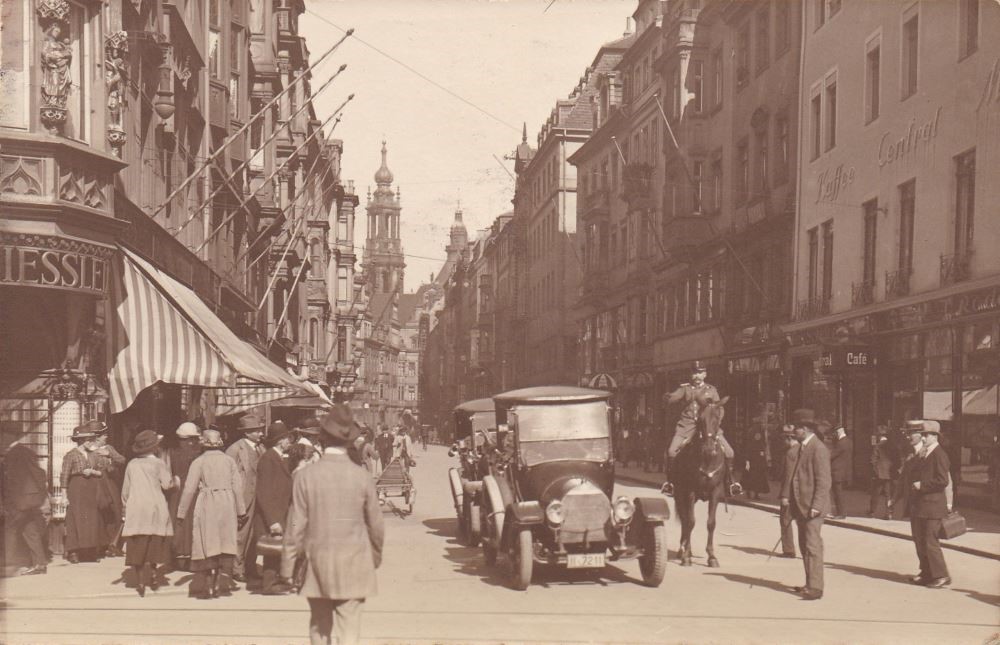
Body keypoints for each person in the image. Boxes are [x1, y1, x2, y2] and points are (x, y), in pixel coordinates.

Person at [280, 405, 384, 645]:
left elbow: (295, 526)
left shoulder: (305, 476)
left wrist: (287, 566)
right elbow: (377, 526)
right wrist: (374, 557)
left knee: (319, 625)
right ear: (349, 440)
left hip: (318, 563)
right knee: (350, 629)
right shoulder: (362, 477)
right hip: (355, 562)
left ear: (323, 437)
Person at [178, 429, 248, 599]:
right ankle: (217, 582)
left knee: (208, 542)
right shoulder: (229, 461)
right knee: (224, 542)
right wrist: (241, 511)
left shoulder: (199, 461)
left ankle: (209, 585)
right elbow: (237, 487)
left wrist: (181, 513)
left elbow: (189, 489)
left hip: (208, 503)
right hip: (227, 503)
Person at [662, 361, 739, 496]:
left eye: (700, 373)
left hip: (708, 427)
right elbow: (673, 397)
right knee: (672, 451)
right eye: (694, 373)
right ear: (691, 375)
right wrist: (668, 397)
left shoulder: (711, 390)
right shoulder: (685, 389)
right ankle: (670, 483)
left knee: (729, 452)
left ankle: (730, 482)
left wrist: (716, 422)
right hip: (687, 426)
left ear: (705, 374)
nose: (697, 376)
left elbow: (719, 408)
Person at [780, 409, 831, 600]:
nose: (794, 432)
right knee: (804, 545)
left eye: (797, 428)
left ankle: (816, 588)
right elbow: (793, 476)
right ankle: (810, 582)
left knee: (812, 545)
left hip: (812, 507)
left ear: (807, 429)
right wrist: (787, 497)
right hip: (801, 505)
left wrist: (816, 505)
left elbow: (824, 481)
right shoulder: (800, 448)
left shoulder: (818, 449)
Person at [121, 430, 177, 597]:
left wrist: (125, 507)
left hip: (136, 507)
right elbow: (167, 484)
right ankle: (152, 573)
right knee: (154, 542)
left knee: (138, 544)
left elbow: (125, 490)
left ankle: (140, 581)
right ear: (154, 447)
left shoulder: (132, 464)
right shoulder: (159, 464)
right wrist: (176, 481)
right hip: (155, 506)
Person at [907, 420, 951, 588]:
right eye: (922, 435)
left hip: (933, 507)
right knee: (919, 541)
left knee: (930, 542)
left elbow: (943, 480)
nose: (923, 438)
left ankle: (941, 575)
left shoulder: (940, 454)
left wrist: (922, 485)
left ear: (935, 436)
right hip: (921, 506)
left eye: (926, 435)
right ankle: (926, 573)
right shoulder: (925, 453)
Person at [2, 431, 50, 575]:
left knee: (9, 529)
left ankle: (8, 565)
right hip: (27, 500)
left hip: (20, 500)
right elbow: (39, 474)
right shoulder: (23, 451)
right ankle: (40, 564)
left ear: (10, 436)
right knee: (30, 530)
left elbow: (12, 480)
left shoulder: (16, 453)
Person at [255, 421, 294, 595]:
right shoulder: (268, 459)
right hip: (272, 514)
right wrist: (272, 521)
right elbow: (263, 492)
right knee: (271, 550)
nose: (289, 442)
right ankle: (269, 585)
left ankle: (275, 581)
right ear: (280, 441)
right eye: (287, 439)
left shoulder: (278, 457)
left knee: (276, 548)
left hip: (280, 512)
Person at [225, 414, 264, 582]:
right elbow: (227, 474)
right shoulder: (235, 449)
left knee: (255, 534)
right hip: (243, 497)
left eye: (260, 430)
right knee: (241, 534)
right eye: (256, 431)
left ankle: (250, 566)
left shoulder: (261, 448)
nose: (260, 433)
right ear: (247, 433)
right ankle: (237, 568)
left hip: (259, 497)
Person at [61, 424, 106, 563]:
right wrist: (64, 496)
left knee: (91, 520)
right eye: (88, 440)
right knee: (75, 519)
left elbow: (102, 471)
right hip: (76, 489)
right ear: (81, 440)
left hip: (91, 489)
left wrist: (92, 471)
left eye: (91, 439)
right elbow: (64, 476)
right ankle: (74, 552)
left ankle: (89, 552)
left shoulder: (93, 455)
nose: (91, 442)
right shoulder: (71, 455)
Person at [164, 422, 202, 569]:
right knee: (190, 522)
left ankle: (175, 555)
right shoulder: (197, 453)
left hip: (177, 490)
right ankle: (189, 555)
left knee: (177, 521)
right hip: (192, 490)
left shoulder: (171, 452)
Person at [90, 428, 126, 557]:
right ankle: (100, 545)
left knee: (116, 511)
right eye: (104, 435)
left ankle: (114, 544)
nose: (106, 437)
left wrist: (109, 454)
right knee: (100, 514)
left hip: (110, 484)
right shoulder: (89, 449)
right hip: (96, 484)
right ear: (97, 437)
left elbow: (122, 460)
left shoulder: (109, 448)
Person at [777, 425, 798, 558]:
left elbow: (788, 476)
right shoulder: (802, 450)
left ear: (789, 438)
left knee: (785, 520)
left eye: (784, 439)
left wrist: (785, 495)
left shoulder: (790, 453)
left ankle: (789, 549)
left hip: (790, 493)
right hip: (801, 493)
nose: (783, 442)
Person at [869, 426, 896, 519]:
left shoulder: (878, 446)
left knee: (875, 493)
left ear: (879, 436)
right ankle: (889, 513)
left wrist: (875, 471)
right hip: (890, 474)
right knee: (889, 495)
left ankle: (872, 512)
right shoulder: (893, 446)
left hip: (879, 474)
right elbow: (897, 460)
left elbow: (873, 461)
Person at [744, 410, 771, 500]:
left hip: (756, 457)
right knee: (756, 476)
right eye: (763, 421)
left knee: (753, 475)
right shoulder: (757, 431)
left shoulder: (754, 430)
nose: (764, 424)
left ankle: (752, 492)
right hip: (756, 458)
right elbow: (754, 445)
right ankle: (754, 492)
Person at [828, 424, 852, 519]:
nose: (834, 435)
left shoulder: (841, 443)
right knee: (839, 493)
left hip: (837, 471)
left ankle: (841, 513)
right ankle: (841, 512)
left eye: (835, 433)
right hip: (843, 470)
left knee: (838, 493)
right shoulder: (848, 441)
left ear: (838, 432)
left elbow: (831, 456)